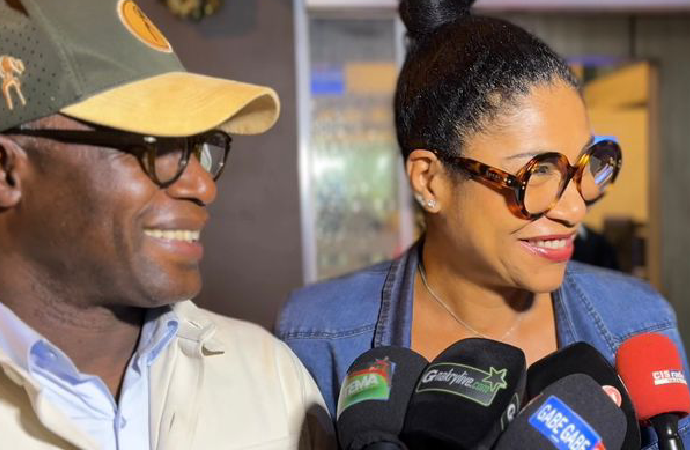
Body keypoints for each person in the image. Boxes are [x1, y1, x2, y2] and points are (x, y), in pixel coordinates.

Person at [0, 0, 333, 448]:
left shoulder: (272, 381)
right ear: (1, 172)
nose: (202, 185)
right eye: (154, 146)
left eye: (198, 147)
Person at [275, 0, 689, 446]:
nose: (574, 209)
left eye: (586, 166)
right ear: (430, 180)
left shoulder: (636, 322)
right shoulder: (319, 335)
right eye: (538, 171)